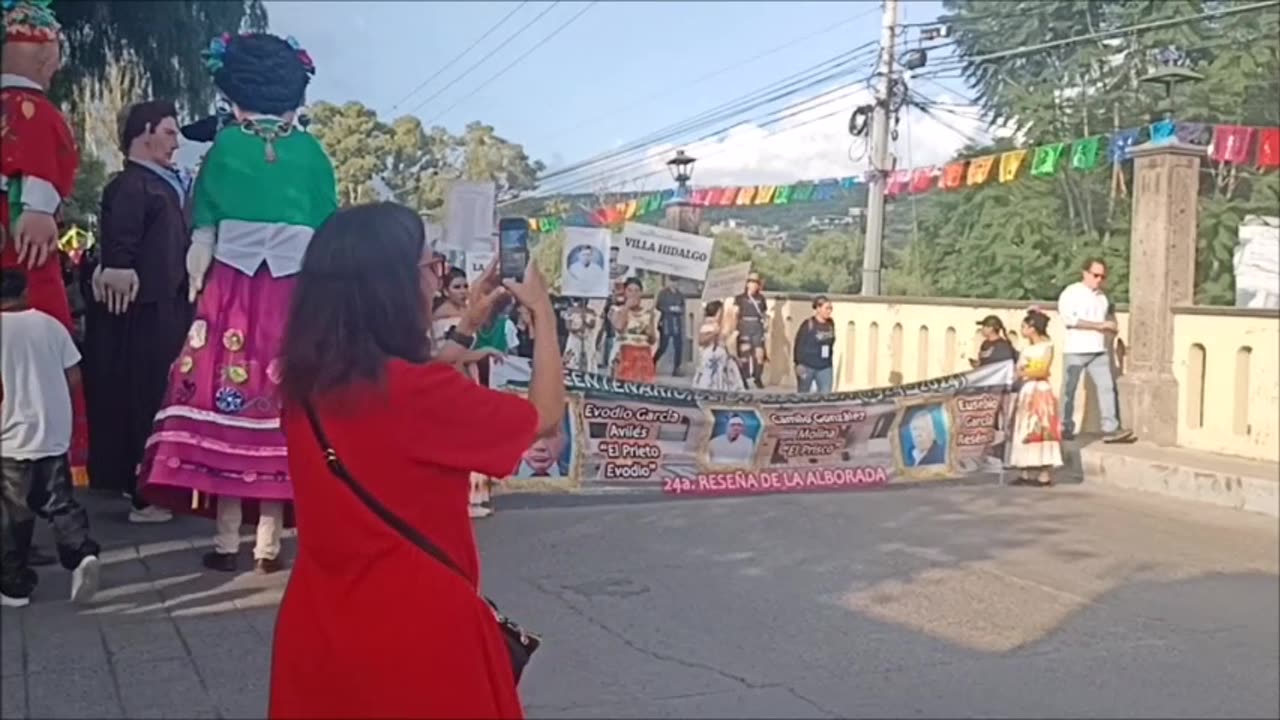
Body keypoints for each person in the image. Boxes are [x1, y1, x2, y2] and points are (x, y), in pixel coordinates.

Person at [269, 201, 565, 719]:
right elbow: (543, 415)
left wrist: (468, 323)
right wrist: (541, 312)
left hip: (319, 622)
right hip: (417, 631)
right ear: (391, 286)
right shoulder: (414, 393)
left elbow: (410, 389)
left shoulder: (306, 385)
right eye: (430, 267)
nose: (436, 281)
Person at [138, 32, 337, 574]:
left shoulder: (225, 147)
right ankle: (268, 545)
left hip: (230, 290)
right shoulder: (312, 153)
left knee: (221, 395)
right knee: (281, 405)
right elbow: (326, 231)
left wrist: (196, 273)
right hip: (293, 295)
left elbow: (203, 223)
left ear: (234, 88)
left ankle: (228, 542)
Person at [81, 100, 193, 525]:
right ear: (144, 132)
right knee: (141, 392)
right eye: (169, 131)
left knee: (161, 392)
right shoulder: (131, 185)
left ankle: (161, 479)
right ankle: (143, 488)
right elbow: (120, 240)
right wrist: (119, 266)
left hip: (169, 304)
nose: (175, 141)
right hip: (142, 310)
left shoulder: (165, 183)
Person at [2, 0, 90, 483]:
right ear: (42, 55)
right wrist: (37, 206)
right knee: (40, 350)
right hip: (22, 252)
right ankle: (45, 469)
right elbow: (38, 161)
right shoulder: (31, 109)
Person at [0, 270, 101, 607]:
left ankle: (14, 585)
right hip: (53, 430)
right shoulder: (50, 325)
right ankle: (81, 554)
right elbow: (73, 375)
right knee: (59, 501)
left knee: (16, 512)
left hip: (10, 437)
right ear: (26, 292)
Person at [1057, 257, 1134, 443]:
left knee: (1107, 388)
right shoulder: (1072, 292)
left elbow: (1106, 319)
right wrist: (1099, 326)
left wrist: (1109, 329)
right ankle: (1064, 426)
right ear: (1085, 273)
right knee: (1069, 390)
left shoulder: (1102, 297)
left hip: (1098, 349)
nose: (1098, 279)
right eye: (1095, 275)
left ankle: (1110, 428)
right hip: (1076, 348)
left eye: (1102, 276)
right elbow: (1070, 321)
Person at [1007, 309, 1063, 487]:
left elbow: (1043, 369)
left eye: (1024, 326)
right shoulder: (1026, 349)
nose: (1022, 330)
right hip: (1027, 389)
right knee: (1023, 428)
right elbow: (1020, 370)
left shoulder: (1047, 346)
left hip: (1040, 389)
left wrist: (1026, 371)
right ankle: (1023, 470)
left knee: (1042, 429)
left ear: (1032, 328)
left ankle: (1044, 473)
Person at [610, 277, 658, 382]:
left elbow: (652, 339)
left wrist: (650, 329)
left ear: (641, 293)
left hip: (643, 357)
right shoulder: (616, 310)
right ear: (625, 292)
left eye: (637, 290)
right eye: (630, 290)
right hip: (625, 355)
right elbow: (619, 327)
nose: (633, 294)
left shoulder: (648, 313)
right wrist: (626, 307)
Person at [692, 300, 745, 391]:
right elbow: (701, 341)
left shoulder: (719, 325)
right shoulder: (708, 325)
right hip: (712, 358)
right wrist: (714, 334)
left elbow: (724, 343)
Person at [732, 272, 769, 389]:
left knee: (759, 354)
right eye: (751, 282)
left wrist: (766, 324)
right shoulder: (740, 297)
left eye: (756, 283)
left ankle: (757, 376)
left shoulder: (761, 298)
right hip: (744, 325)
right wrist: (734, 328)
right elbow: (735, 313)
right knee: (744, 353)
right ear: (747, 283)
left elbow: (763, 313)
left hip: (757, 326)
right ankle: (744, 377)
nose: (753, 285)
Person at [793, 296, 836, 393]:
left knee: (826, 394)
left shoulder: (830, 323)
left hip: (825, 366)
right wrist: (798, 363)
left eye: (830, 308)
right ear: (818, 308)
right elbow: (798, 344)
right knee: (803, 395)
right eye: (827, 308)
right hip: (807, 366)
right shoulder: (808, 324)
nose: (829, 311)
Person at [653, 276, 687, 376]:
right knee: (663, 346)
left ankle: (676, 368)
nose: (674, 284)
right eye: (672, 282)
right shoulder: (663, 293)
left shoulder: (680, 295)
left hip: (676, 322)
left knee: (678, 346)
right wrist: (670, 308)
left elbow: (682, 307)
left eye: (676, 282)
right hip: (666, 321)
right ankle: (652, 362)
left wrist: (679, 310)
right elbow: (658, 306)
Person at [561, 298, 597, 372]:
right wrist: (578, 330)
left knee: (589, 356)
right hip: (574, 338)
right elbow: (568, 326)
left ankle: (589, 371)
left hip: (587, 338)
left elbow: (593, 325)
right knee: (572, 356)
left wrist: (585, 321)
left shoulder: (591, 311)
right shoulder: (571, 311)